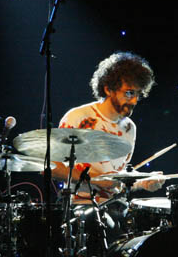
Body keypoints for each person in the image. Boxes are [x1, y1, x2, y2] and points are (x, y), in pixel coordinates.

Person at [51, 51, 165, 202]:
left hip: (115, 207)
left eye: (138, 94)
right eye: (129, 93)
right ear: (108, 89)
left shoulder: (129, 128)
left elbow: (116, 182)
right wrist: (94, 179)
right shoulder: (78, 117)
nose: (134, 101)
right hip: (82, 205)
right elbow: (52, 168)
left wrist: (143, 182)